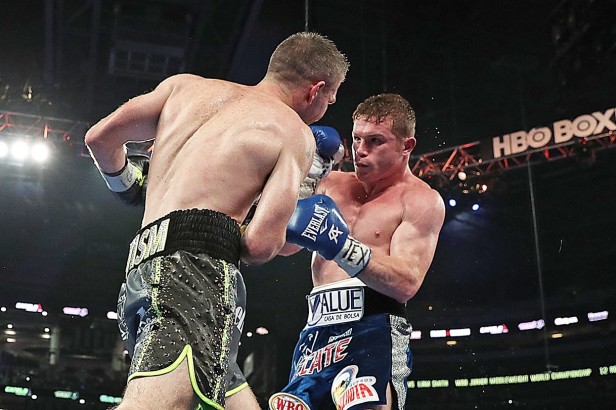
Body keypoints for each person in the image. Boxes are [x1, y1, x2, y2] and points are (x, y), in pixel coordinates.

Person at [84, 31, 349, 410]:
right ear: (316, 90)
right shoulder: (294, 134)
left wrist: (128, 185)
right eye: (331, 98)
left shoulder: (183, 88)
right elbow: (260, 246)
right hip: (197, 275)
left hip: (142, 269)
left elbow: (99, 138)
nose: (327, 106)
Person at [270, 93, 446, 410]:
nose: (360, 151)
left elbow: (406, 283)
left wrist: (341, 246)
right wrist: (306, 183)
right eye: (356, 139)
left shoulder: (420, 200)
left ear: (407, 146)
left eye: (375, 141)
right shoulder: (331, 182)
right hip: (316, 331)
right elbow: (283, 247)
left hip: (373, 328)